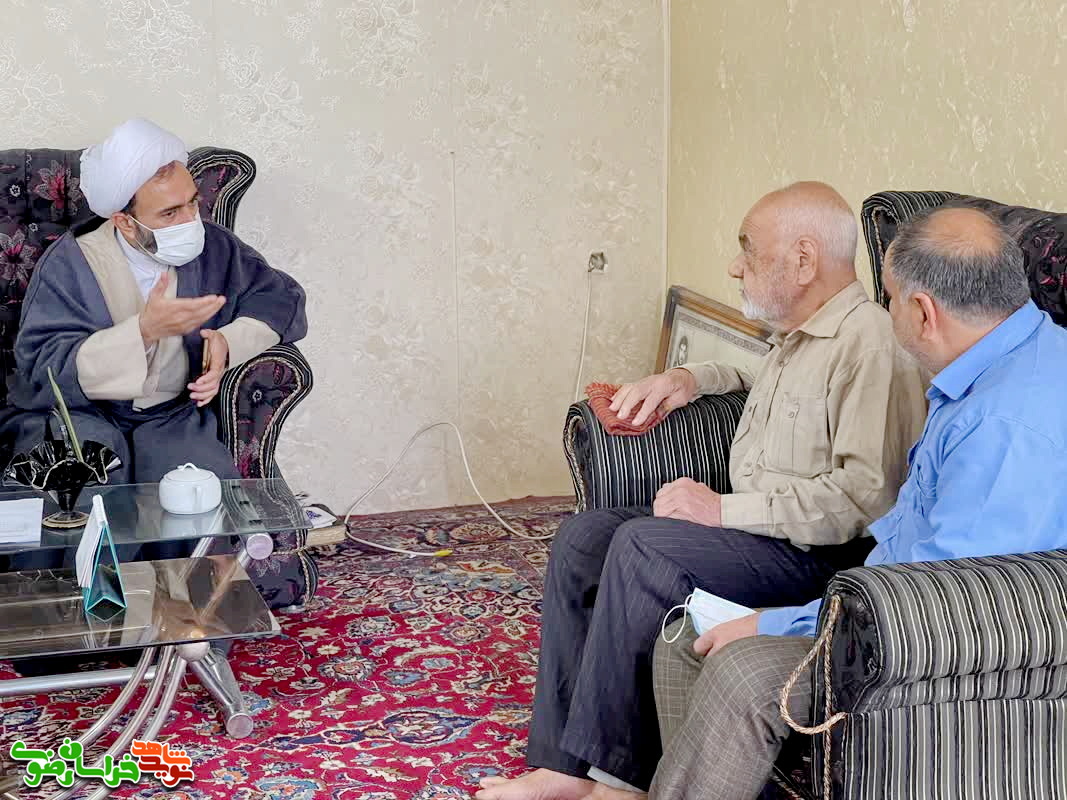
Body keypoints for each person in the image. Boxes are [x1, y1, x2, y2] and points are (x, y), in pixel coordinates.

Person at [477, 182, 928, 800]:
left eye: (749, 249)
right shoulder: (800, 332)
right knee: (585, 537)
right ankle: (561, 766)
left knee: (645, 547)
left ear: (803, 260)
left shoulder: (871, 345)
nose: (736, 265)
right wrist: (690, 376)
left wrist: (719, 511)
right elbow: (759, 378)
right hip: (761, 534)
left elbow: (864, 501)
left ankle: (622, 781)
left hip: (817, 557)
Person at [649, 206, 1067, 800]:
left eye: (888, 298)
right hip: (885, 599)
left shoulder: (1002, 427)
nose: (882, 312)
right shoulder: (1003, 360)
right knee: (682, 638)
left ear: (922, 312)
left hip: (928, 647)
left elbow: (935, 604)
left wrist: (776, 623)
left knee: (740, 670)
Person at [0, 118, 307, 483]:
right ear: (125, 223)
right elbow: (41, 365)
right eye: (170, 213)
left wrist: (228, 343)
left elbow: (279, 297)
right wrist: (143, 332)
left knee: (198, 494)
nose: (191, 221)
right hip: (80, 413)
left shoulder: (216, 246)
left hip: (171, 415)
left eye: (192, 202)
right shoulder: (71, 263)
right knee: (84, 486)